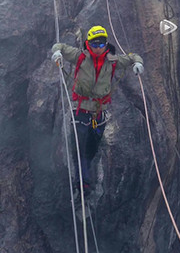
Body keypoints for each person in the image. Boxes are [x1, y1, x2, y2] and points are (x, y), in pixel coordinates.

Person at [51, 25, 144, 196]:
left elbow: (132, 57)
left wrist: (138, 62)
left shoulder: (112, 61)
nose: (98, 48)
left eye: (102, 44)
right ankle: (83, 183)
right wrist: (56, 53)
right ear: (88, 44)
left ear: (106, 44)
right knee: (80, 146)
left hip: (99, 111)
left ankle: (85, 174)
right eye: (95, 44)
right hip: (81, 109)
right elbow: (60, 46)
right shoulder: (80, 57)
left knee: (92, 148)